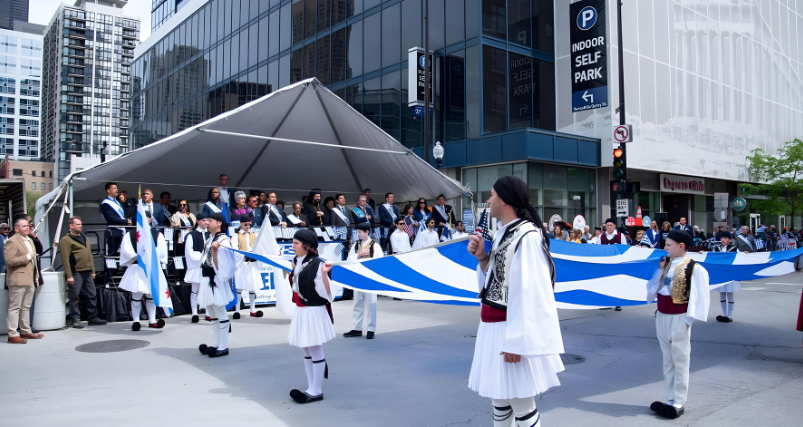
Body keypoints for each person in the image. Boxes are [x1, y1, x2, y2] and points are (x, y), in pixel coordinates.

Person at [466, 176, 563, 427]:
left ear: (505, 200)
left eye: (491, 195)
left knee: (522, 406)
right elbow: (497, 283)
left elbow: (532, 292)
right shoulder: (503, 234)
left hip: (509, 330)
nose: (488, 200)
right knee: (500, 402)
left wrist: (518, 341)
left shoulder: (527, 236)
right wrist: (482, 258)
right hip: (494, 328)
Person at [646, 230, 710, 419]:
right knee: (668, 360)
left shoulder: (694, 268)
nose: (665, 248)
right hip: (662, 315)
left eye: (668, 245)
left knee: (680, 359)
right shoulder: (666, 265)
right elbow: (651, 291)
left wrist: (688, 320)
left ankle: (679, 401)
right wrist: (659, 270)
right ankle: (670, 399)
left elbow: (701, 298)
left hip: (680, 317)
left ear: (680, 246)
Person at [287, 229, 336, 403]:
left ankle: (316, 390)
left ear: (307, 246)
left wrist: (324, 274)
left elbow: (327, 293)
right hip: (302, 310)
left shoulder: (317, 264)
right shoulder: (298, 261)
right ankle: (310, 387)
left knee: (315, 349)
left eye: (296, 243)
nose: (292, 246)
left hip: (313, 311)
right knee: (306, 349)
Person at [119, 210, 168, 331]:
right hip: (137, 267)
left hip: (152, 268)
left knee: (151, 295)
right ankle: (136, 321)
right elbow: (126, 251)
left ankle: (152, 320)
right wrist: (138, 255)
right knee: (136, 294)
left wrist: (149, 253)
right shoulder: (130, 234)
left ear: (150, 219)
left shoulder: (157, 234)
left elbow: (162, 251)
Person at [197, 213, 236, 358]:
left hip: (216, 279)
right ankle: (217, 343)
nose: (207, 223)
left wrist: (215, 250)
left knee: (220, 312)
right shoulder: (211, 239)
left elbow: (223, 266)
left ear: (219, 223)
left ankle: (223, 346)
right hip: (207, 278)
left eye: (210, 220)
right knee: (213, 313)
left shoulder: (224, 240)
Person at [59, 216, 106, 329]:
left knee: (91, 294)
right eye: (78, 224)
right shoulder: (66, 240)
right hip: (76, 272)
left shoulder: (84, 237)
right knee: (74, 296)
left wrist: (93, 270)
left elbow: (89, 255)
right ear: (71, 226)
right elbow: (65, 259)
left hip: (87, 271)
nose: (81, 226)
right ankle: (75, 318)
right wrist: (69, 275)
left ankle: (93, 317)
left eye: (81, 224)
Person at [5, 218, 43, 343]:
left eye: (28, 226)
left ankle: (25, 331)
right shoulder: (11, 242)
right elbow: (10, 262)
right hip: (17, 279)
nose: (27, 228)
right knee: (15, 308)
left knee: (26, 307)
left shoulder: (29, 240)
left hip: (30, 278)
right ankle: (12, 334)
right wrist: (27, 257)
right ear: (16, 229)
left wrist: (36, 276)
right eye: (24, 226)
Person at [343, 222, 384, 339]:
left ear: (367, 232)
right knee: (357, 302)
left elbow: (379, 263)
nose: (358, 234)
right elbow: (349, 259)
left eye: (360, 232)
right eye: (357, 232)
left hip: (370, 278)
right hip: (358, 277)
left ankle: (371, 329)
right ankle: (357, 328)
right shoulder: (356, 245)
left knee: (371, 303)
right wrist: (359, 255)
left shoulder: (375, 246)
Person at [703, 231, 740, 323]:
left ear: (729, 239)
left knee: (730, 293)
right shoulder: (717, 248)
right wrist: (703, 253)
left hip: (730, 274)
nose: (722, 240)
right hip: (721, 273)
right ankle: (724, 314)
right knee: (722, 293)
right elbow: (711, 256)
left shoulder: (734, 248)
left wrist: (746, 253)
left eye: (725, 238)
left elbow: (740, 258)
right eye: (721, 238)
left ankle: (729, 315)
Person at [231, 215, 262, 319]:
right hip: (242, 263)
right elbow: (234, 250)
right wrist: (245, 254)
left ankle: (252, 309)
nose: (248, 226)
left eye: (249, 224)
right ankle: (237, 310)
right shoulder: (236, 235)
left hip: (252, 263)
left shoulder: (254, 234)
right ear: (241, 224)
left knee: (252, 286)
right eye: (246, 224)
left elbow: (259, 247)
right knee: (239, 287)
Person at [184, 212, 209, 323]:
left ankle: (208, 312)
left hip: (208, 266)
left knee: (208, 289)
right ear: (198, 221)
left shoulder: (210, 234)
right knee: (195, 290)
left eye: (207, 220)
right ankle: (195, 312)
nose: (206, 222)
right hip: (197, 266)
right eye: (204, 220)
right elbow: (189, 252)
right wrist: (202, 258)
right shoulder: (191, 235)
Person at [101, 182, 131, 255]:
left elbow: (124, 214)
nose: (116, 190)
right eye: (114, 188)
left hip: (121, 232)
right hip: (113, 233)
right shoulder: (106, 203)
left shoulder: (117, 202)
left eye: (117, 188)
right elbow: (112, 219)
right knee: (112, 257)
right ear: (108, 190)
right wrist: (126, 222)